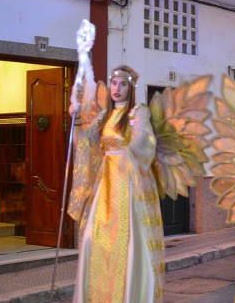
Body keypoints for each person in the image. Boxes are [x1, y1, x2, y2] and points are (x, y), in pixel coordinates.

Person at [68, 65, 164, 303]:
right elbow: (85, 144)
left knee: (129, 241)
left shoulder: (137, 113)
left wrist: (130, 153)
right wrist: (76, 117)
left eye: (122, 84)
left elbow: (145, 138)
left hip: (129, 183)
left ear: (130, 88)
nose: (117, 89)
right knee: (94, 237)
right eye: (113, 83)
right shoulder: (104, 116)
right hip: (105, 185)